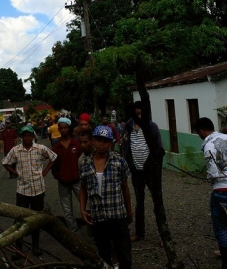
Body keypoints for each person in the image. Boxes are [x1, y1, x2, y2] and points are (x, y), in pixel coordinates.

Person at [194, 117, 227, 269]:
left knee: (222, 228)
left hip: (223, 190)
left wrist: (213, 180)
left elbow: (212, 173)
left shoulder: (209, 145)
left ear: (201, 131)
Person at [79, 125, 133, 269]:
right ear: (93, 141)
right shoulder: (85, 164)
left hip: (117, 215)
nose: (102, 143)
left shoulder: (119, 161)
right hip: (98, 216)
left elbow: (125, 188)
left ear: (111, 143)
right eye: (98, 140)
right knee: (103, 255)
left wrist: (129, 211)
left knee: (125, 255)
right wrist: (82, 209)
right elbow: (83, 188)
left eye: (106, 140)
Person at [2, 126, 57, 256]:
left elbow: (53, 157)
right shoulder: (16, 150)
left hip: (38, 189)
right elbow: (5, 162)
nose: (27, 138)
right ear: (21, 137)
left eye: (29, 135)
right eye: (24, 135)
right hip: (22, 190)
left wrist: (45, 171)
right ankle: (18, 247)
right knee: (20, 218)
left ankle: (35, 246)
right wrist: (15, 172)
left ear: (33, 136)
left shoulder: (40, 148)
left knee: (36, 219)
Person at [121, 101, 163, 243]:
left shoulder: (152, 126)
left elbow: (159, 148)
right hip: (136, 171)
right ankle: (139, 233)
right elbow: (125, 146)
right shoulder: (128, 127)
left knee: (157, 201)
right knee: (139, 202)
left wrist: (155, 166)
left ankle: (164, 236)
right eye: (136, 112)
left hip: (151, 171)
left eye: (141, 111)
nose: (139, 114)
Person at [51, 117, 82, 233]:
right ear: (58, 129)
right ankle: (74, 233)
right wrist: (57, 175)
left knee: (85, 205)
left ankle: (92, 230)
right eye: (61, 128)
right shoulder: (56, 147)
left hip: (77, 181)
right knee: (67, 210)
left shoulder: (77, 144)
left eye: (65, 128)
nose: (63, 130)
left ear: (69, 129)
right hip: (63, 183)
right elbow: (53, 163)